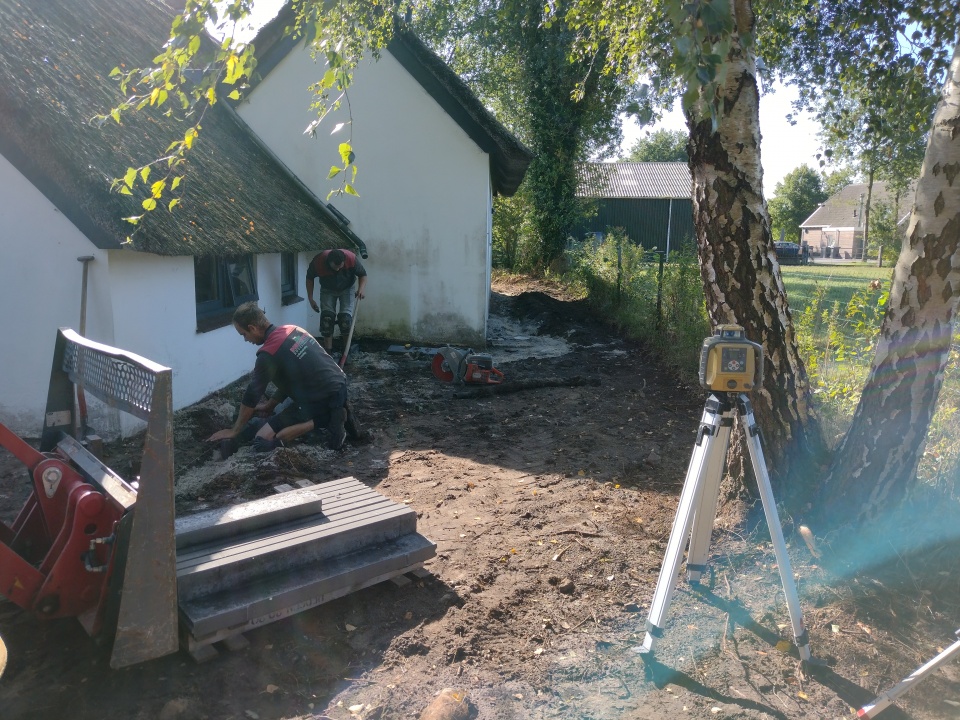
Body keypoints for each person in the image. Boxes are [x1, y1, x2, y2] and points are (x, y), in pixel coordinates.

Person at [207, 302, 362, 453]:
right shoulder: (292, 329)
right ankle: (334, 411)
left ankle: (326, 419)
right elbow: (294, 379)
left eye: (244, 334)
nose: (245, 339)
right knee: (284, 408)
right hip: (340, 386)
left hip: (320, 397)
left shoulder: (268, 354)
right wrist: (270, 405)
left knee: (262, 438)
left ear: (252, 328)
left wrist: (235, 430)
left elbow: (252, 395)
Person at [306, 248, 367, 352]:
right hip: (327, 289)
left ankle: (346, 350)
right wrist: (311, 299)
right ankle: (328, 351)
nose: (338, 270)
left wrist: (361, 289)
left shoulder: (351, 259)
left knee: (345, 320)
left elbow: (363, 275)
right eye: (335, 267)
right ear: (329, 262)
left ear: (344, 261)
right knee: (327, 319)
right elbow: (309, 278)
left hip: (347, 288)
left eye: (340, 267)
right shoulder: (318, 262)